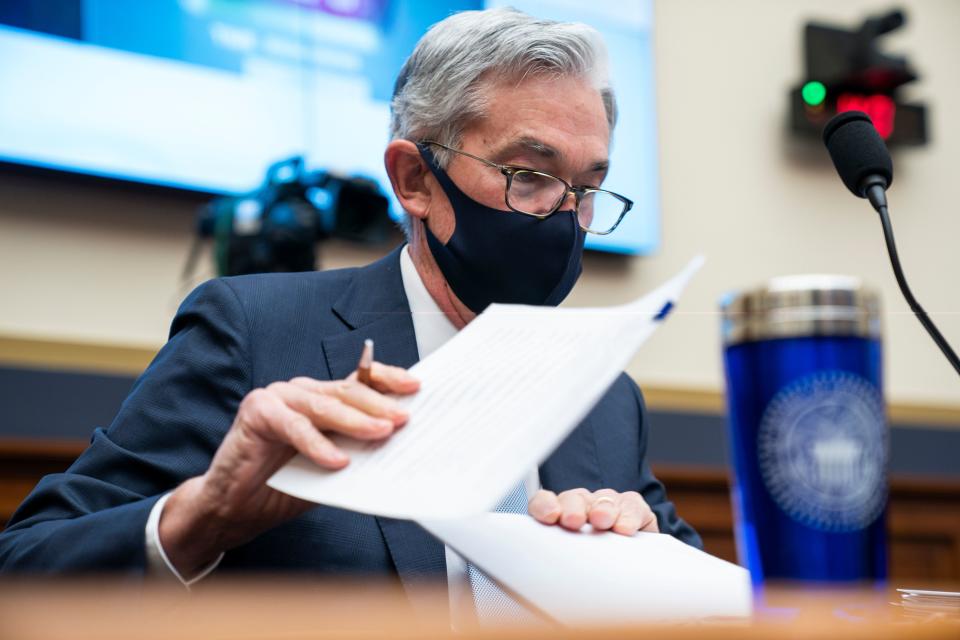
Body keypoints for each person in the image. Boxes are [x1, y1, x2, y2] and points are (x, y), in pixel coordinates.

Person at [0, 6, 699, 624]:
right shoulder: (253, 333)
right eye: (531, 176)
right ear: (416, 180)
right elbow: (24, 572)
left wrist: (644, 571)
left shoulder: (606, 396)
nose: (563, 216)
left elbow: (720, 610)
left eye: (587, 189)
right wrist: (203, 515)